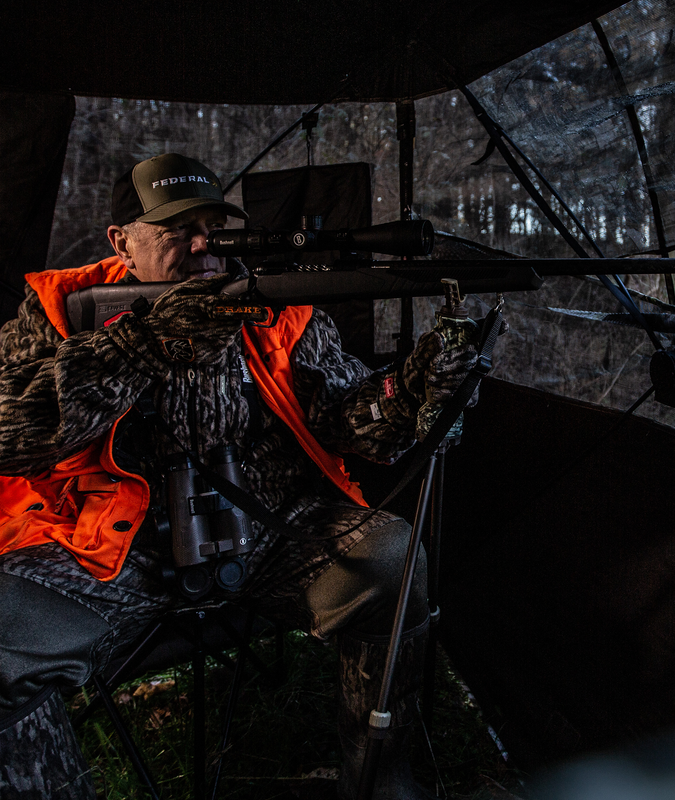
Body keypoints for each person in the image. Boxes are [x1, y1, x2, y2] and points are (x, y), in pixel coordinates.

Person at [0, 153, 482, 799]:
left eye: (215, 229)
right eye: (176, 229)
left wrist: (406, 393)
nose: (203, 246)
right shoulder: (61, 309)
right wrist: (139, 345)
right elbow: (12, 436)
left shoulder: (281, 308)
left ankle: (381, 775)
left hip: (271, 533)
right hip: (105, 548)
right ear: (122, 240)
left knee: (389, 556)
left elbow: (347, 422)